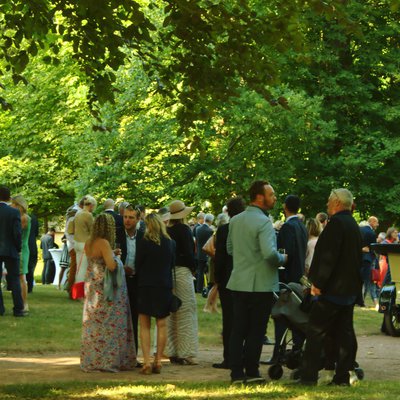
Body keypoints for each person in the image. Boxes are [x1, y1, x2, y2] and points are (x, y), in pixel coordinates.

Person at [299, 188, 363, 386]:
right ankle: (342, 376)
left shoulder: (336, 224)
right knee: (344, 332)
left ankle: (309, 376)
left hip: (332, 290)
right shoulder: (353, 225)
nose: (327, 204)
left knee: (315, 331)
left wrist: (317, 284)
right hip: (348, 290)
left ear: (336, 203)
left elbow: (328, 258)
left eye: (329, 200)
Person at [227, 180, 287, 384]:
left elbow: (229, 249)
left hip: (238, 282)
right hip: (260, 284)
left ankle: (236, 372)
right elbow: (270, 254)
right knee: (256, 330)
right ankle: (252, 371)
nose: (275, 198)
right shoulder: (264, 222)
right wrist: (283, 258)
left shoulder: (235, 220)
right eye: (272, 194)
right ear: (260, 197)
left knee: (238, 329)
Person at [80, 213, 136, 372]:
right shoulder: (103, 242)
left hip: (92, 287)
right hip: (105, 289)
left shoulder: (89, 242)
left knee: (93, 324)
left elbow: (97, 259)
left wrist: (111, 252)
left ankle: (93, 358)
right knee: (109, 325)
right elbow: (111, 266)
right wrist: (116, 258)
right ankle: (107, 360)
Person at [267, 195, 308, 365]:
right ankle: (297, 350)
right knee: (297, 316)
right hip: (299, 276)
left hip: (287, 278)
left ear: (285, 207)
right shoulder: (302, 226)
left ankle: (280, 352)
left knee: (282, 316)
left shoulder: (287, 227)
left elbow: (286, 253)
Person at [136, 213, 176, 375]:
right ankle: (158, 360)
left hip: (145, 285)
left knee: (145, 325)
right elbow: (172, 265)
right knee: (162, 324)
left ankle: (146, 361)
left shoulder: (143, 242)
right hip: (164, 285)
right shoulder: (171, 243)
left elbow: (138, 264)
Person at [213, 196, 245, 369]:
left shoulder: (224, 230)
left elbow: (220, 257)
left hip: (227, 279)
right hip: (245, 277)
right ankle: (242, 355)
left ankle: (229, 357)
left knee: (229, 320)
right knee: (243, 318)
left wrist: (217, 279)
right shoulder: (247, 228)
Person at [166, 200, 198, 365]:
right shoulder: (185, 230)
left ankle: (170, 350)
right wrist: (195, 269)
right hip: (183, 272)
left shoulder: (166, 230)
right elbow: (189, 253)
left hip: (168, 273)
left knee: (171, 312)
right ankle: (186, 352)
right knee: (186, 311)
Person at [115, 203, 143, 356]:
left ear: (138, 219)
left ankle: (133, 355)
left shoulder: (143, 236)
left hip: (137, 282)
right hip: (120, 281)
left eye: (131, 217)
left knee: (134, 319)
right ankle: (118, 354)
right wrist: (121, 267)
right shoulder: (116, 234)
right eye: (125, 217)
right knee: (118, 319)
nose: (127, 220)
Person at [0, 185, 24, 317]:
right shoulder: (14, 212)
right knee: (14, 280)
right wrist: (18, 248)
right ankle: (18, 309)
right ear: (9, 197)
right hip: (10, 249)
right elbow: (17, 233)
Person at [11, 195, 31, 312]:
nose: (11, 206)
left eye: (13, 204)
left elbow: (16, 234)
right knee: (20, 277)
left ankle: (24, 303)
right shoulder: (23, 216)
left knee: (21, 277)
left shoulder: (23, 218)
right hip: (22, 248)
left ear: (18, 205)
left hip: (21, 250)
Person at [73, 195, 96, 283]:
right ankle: (81, 290)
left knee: (78, 267)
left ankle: (77, 288)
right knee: (83, 268)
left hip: (76, 242)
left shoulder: (77, 213)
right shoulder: (88, 215)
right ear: (91, 205)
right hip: (84, 244)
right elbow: (92, 230)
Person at [360, 216, 379, 308]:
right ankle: (361, 300)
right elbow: (373, 248)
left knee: (359, 280)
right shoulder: (371, 233)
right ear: (371, 222)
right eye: (376, 223)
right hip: (367, 260)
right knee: (366, 281)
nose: (377, 225)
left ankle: (359, 300)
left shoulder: (359, 229)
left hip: (358, 258)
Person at [195, 213, 214, 293]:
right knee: (209, 273)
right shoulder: (210, 231)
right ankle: (209, 288)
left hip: (199, 253)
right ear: (211, 221)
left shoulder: (198, 229)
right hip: (207, 254)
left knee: (200, 271)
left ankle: (198, 288)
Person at [27, 213, 39, 293]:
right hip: (32, 245)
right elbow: (37, 233)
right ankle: (30, 287)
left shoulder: (20, 216)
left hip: (24, 244)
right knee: (30, 268)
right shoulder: (34, 218)